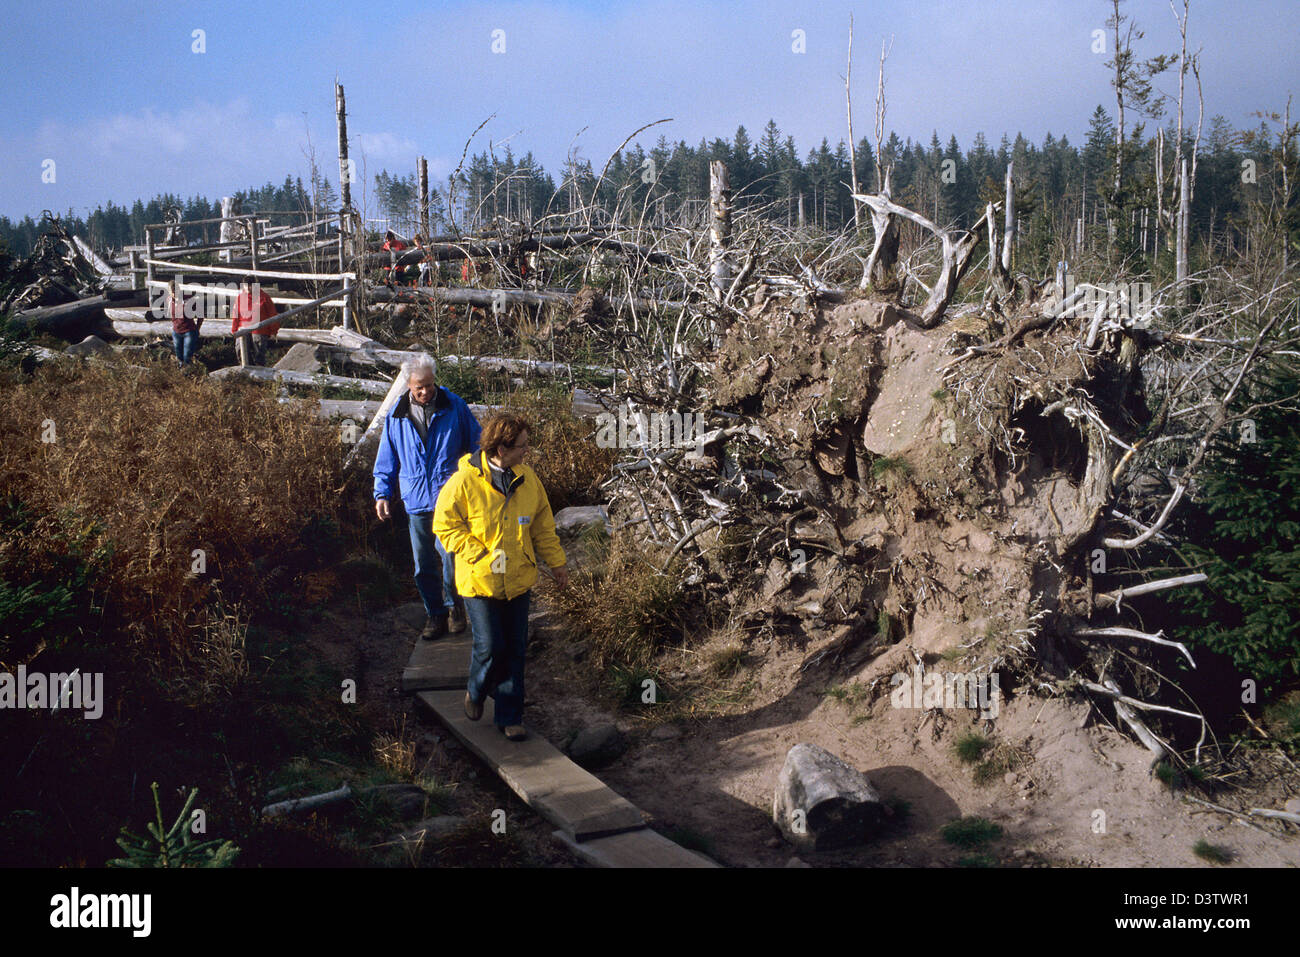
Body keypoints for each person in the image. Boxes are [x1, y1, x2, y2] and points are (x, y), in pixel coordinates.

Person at [433, 412, 569, 741]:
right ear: (501, 448)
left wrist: (557, 563)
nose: (526, 452)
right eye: (521, 446)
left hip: (518, 579)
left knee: (516, 649)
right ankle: (476, 690)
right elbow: (444, 525)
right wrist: (477, 554)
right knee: (490, 646)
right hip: (479, 581)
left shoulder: (528, 479)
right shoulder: (463, 481)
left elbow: (542, 526)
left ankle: (510, 716)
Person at [374, 354, 480, 641]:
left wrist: (480, 480)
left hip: (451, 497)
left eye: (429, 385)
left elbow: (477, 445)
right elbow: (387, 458)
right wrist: (382, 493)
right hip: (416, 499)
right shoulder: (396, 415)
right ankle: (434, 614)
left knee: (452, 556)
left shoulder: (454, 406)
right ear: (408, 384)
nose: (425, 392)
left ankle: (454, 607)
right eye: (419, 387)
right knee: (423, 563)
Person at [230, 277, 279, 366]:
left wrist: (273, 331)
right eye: (246, 286)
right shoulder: (240, 298)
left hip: (260, 328)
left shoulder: (264, 297)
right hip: (243, 328)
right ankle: (246, 370)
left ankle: (260, 371)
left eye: (250, 286)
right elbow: (236, 315)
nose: (248, 288)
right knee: (240, 350)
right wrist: (234, 330)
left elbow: (272, 314)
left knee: (259, 352)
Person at [165, 277, 202, 366]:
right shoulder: (169, 300)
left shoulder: (188, 300)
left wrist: (197, 328)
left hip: (189, 331)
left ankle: (189, 374)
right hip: (176, 332)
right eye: (172, 292)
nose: (174, 294)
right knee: (179, 357)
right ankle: (182, 376)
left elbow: (200, 314)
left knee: (187, 357)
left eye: (175, 291)